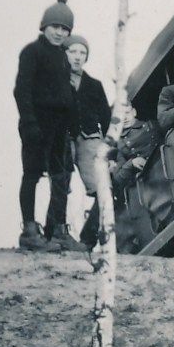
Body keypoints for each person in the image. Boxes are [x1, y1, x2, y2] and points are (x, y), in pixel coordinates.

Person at [13, 0, 82, 252]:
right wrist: (30, 123)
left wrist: (72, 126)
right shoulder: (32, 52)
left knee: (61, 177)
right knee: (32, 174)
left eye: (65, 29)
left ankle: (57, 231)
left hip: (59, 128)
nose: (59, 32)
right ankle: (30, 231)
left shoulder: (63, 58)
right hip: (37, 124)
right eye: (55, 27)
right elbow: (22, 90)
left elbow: (67, 95)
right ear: (44, 26)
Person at [65, 34, 112, 251]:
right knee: (60, 185)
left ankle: (86, 240)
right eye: (73, 52)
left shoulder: (94, 85)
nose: (77, 57)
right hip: (63, 138)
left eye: (82, 53)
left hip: (90, 138)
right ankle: (57, 235)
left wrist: (109, 147)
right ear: (64, 54)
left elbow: (106, 117)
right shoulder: (56, 82)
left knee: (103, 189)